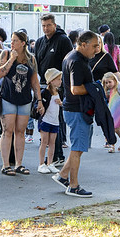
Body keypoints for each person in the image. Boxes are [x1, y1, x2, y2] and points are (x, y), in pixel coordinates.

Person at [53, 31, 100, 197]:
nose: (97, 49)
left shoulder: (72, 57)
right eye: (94, 46)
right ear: (84, 44)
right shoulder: (77, 61)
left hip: (74, 108)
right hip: (76, 109)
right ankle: (73, 186)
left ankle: (63, 175)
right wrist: (95, 89)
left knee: (78, 148)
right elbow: (75, 89)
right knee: (77, 148)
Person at [0, 31, 42, 175]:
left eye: (15, 41)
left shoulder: (31, 59)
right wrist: (11, 59)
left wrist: (39, 100)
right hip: (8, 97)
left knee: (20, 132)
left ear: (23, 43)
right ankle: (5, 165)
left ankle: (19, 164)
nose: (12, 43)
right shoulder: (6, 54)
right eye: (11, 40)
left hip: (24, 99)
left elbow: (35, 81)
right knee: (7, 130)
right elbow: (0, 73)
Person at [34, 14, 73, 166]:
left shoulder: (63, 40)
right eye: (43, 25)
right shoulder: (39, 42)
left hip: (58, 86)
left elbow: (69, 62)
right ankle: (51, 155)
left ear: (54, 25)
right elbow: (36, 63)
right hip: (43, 85)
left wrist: (64, 85)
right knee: (45, 120)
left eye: (49, 25)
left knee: (55, 121)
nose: (46, 28)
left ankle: (58, 155)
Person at [37, 68, 63, 174]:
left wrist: (61, 103)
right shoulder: (45, 92)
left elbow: (61, 104)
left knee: (52, 143)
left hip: (55, 121)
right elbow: (39, 104)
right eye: (58, 79)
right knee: (44, 142)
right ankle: (41, 164)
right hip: (45, 120)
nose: (61, 81)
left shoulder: (59, 92)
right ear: (52, 80)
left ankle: (50, 163)